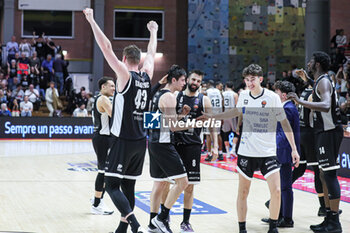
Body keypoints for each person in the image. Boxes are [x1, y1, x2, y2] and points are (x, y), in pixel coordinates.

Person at [200, 64, 300, 233]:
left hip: (268, 152)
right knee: (243, 192)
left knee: (276, 191)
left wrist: (294, 149)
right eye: (247, 79)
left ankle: (273, 228)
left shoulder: (271, 97)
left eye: (252, 79)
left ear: (260, 79)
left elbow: (284, 123)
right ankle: (242, 229)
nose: (249, 82)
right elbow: (234, 112)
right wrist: (213, 116)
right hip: (247, 152)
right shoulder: (244, 95)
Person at [84, 7, 158, 233]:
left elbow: (105, 47)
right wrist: (153, 32)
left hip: (122, 140)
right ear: (140, 59)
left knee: (111, 185)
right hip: (140, 141)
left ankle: (134, 224)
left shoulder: (124, 76)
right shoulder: (147, 75)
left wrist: (91, 20)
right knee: (129, 187)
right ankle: (122, 230)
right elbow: (152, 53)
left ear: (125, 59)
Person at [288, 51, 343, 233]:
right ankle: (328, 217)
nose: (309, 63)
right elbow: (318, 94)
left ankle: (335, 222)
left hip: (329, 132)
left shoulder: (325, 81)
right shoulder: (320, 82)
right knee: (322, 174)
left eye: (311, 61)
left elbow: (326, 104)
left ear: (317, 64)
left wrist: (300, 101)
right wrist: (307, 81)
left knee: (329, 175)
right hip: (321, 132)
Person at [148, 65, 191, 233]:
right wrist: (193, 123)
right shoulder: (170, 97)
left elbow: (160, 121)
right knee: (183, 182)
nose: (184, 83)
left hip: (154, 142)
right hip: (164, 145)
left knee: (159, 185)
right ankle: (162, 217)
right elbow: (173, 127)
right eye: (182, 80)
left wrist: (180, 115)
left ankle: (152, 223)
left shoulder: (157, 94)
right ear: (174, 80)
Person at [174, 70, 219, 232]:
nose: (195, 83)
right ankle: (163, 217)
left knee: (190, 186)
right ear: (187, 80)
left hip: (193, 145)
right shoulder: (176, 96)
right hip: (174, 144)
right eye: (193, 79)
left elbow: (212, 123)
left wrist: (215, 146)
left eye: (199, 81)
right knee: (166, 184)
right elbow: (168, 121)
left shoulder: (204, 99)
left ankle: (185, 222)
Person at [262, 81, 300, 227]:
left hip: (284, 151)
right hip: (282, 150)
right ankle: (277, 215)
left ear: (283, 95)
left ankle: (288, 219)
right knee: (281, 186)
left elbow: (285, 133)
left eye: (276, 92)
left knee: (285, 187)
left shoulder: (288, 109)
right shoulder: (286, 107)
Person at [90, 77, 115, 215]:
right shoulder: (104, 99)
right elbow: (115, 115)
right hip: (103, 139)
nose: (114, 88)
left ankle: (99, 199)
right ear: (103, 87)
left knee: (106, 172)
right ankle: (96, 204)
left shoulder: (100, 98)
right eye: (111, 86)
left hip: (103, 138)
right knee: (103, 172)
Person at [205, 80, 224, 161]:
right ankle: (220, 153)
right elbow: (222, 104)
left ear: (208, 85)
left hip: (209, 115)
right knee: (218, 134)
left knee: (208, 135)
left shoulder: (206, 92)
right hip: (218, 115)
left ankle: (209, 154)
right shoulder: (219, 92)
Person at [222, 81, 239, 158]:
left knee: (225, 134)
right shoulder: (235, 94)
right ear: (233, 87)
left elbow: (222, 106)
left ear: (226, 86)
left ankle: (228, 152)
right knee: (236, 132)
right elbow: (237, 106)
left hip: (225, 114)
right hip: (232, 114)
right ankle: (233, 149)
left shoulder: (222, 94)